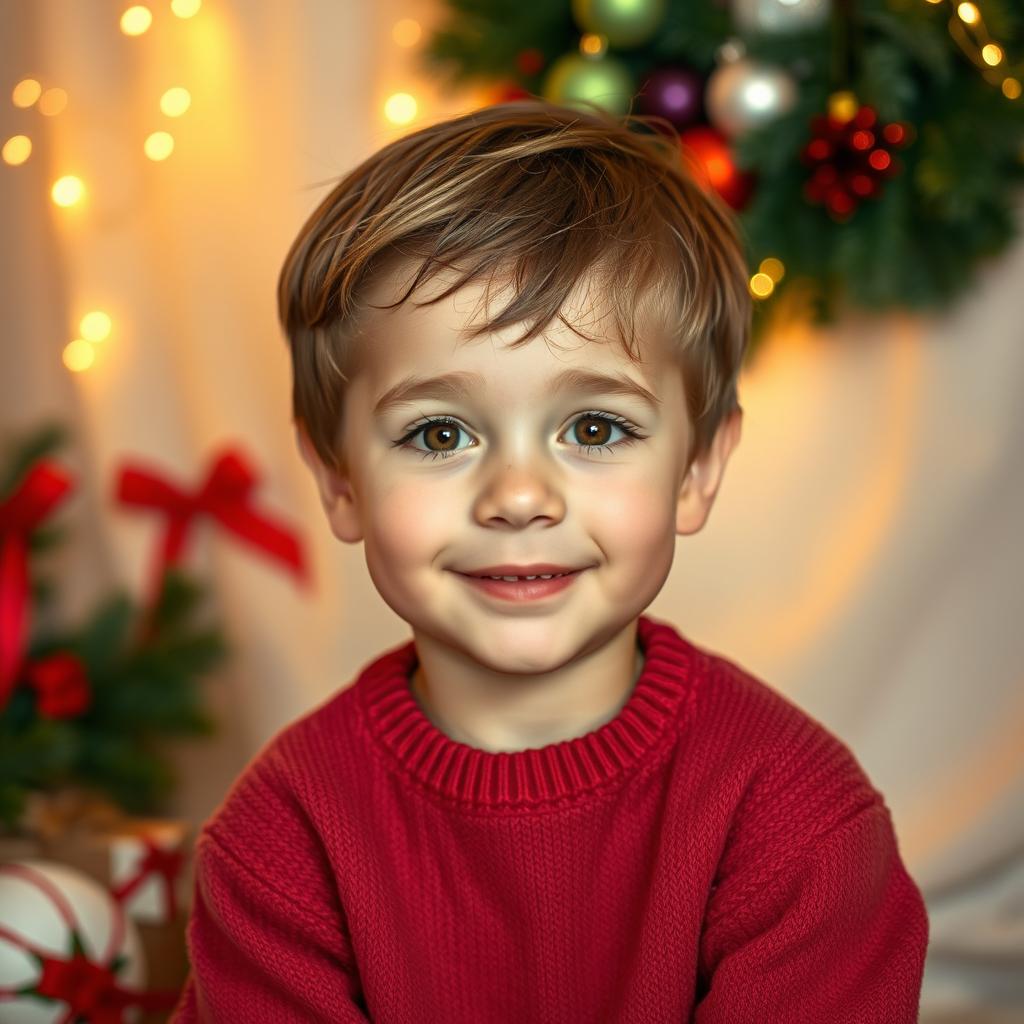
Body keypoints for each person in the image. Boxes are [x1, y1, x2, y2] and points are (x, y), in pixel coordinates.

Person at [170, 99, 928, 1022]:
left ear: (696, 469)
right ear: (338, 480)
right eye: (439, 432)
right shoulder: (282, 842)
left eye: (596, 427)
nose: (520, 495)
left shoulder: (796, 824)